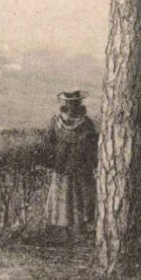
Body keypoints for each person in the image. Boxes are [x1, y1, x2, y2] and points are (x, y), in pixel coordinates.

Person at [45, 90, 97, 240]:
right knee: (74, 196)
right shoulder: (86, 123)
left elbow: (49, 141)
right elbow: (92, 145)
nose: (72, 106)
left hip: (71, 166)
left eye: (73, 103)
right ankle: (70, 229)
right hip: (71, 166)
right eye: (71, 103)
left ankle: (69, 228)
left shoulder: (57, 122)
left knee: (67, 196)